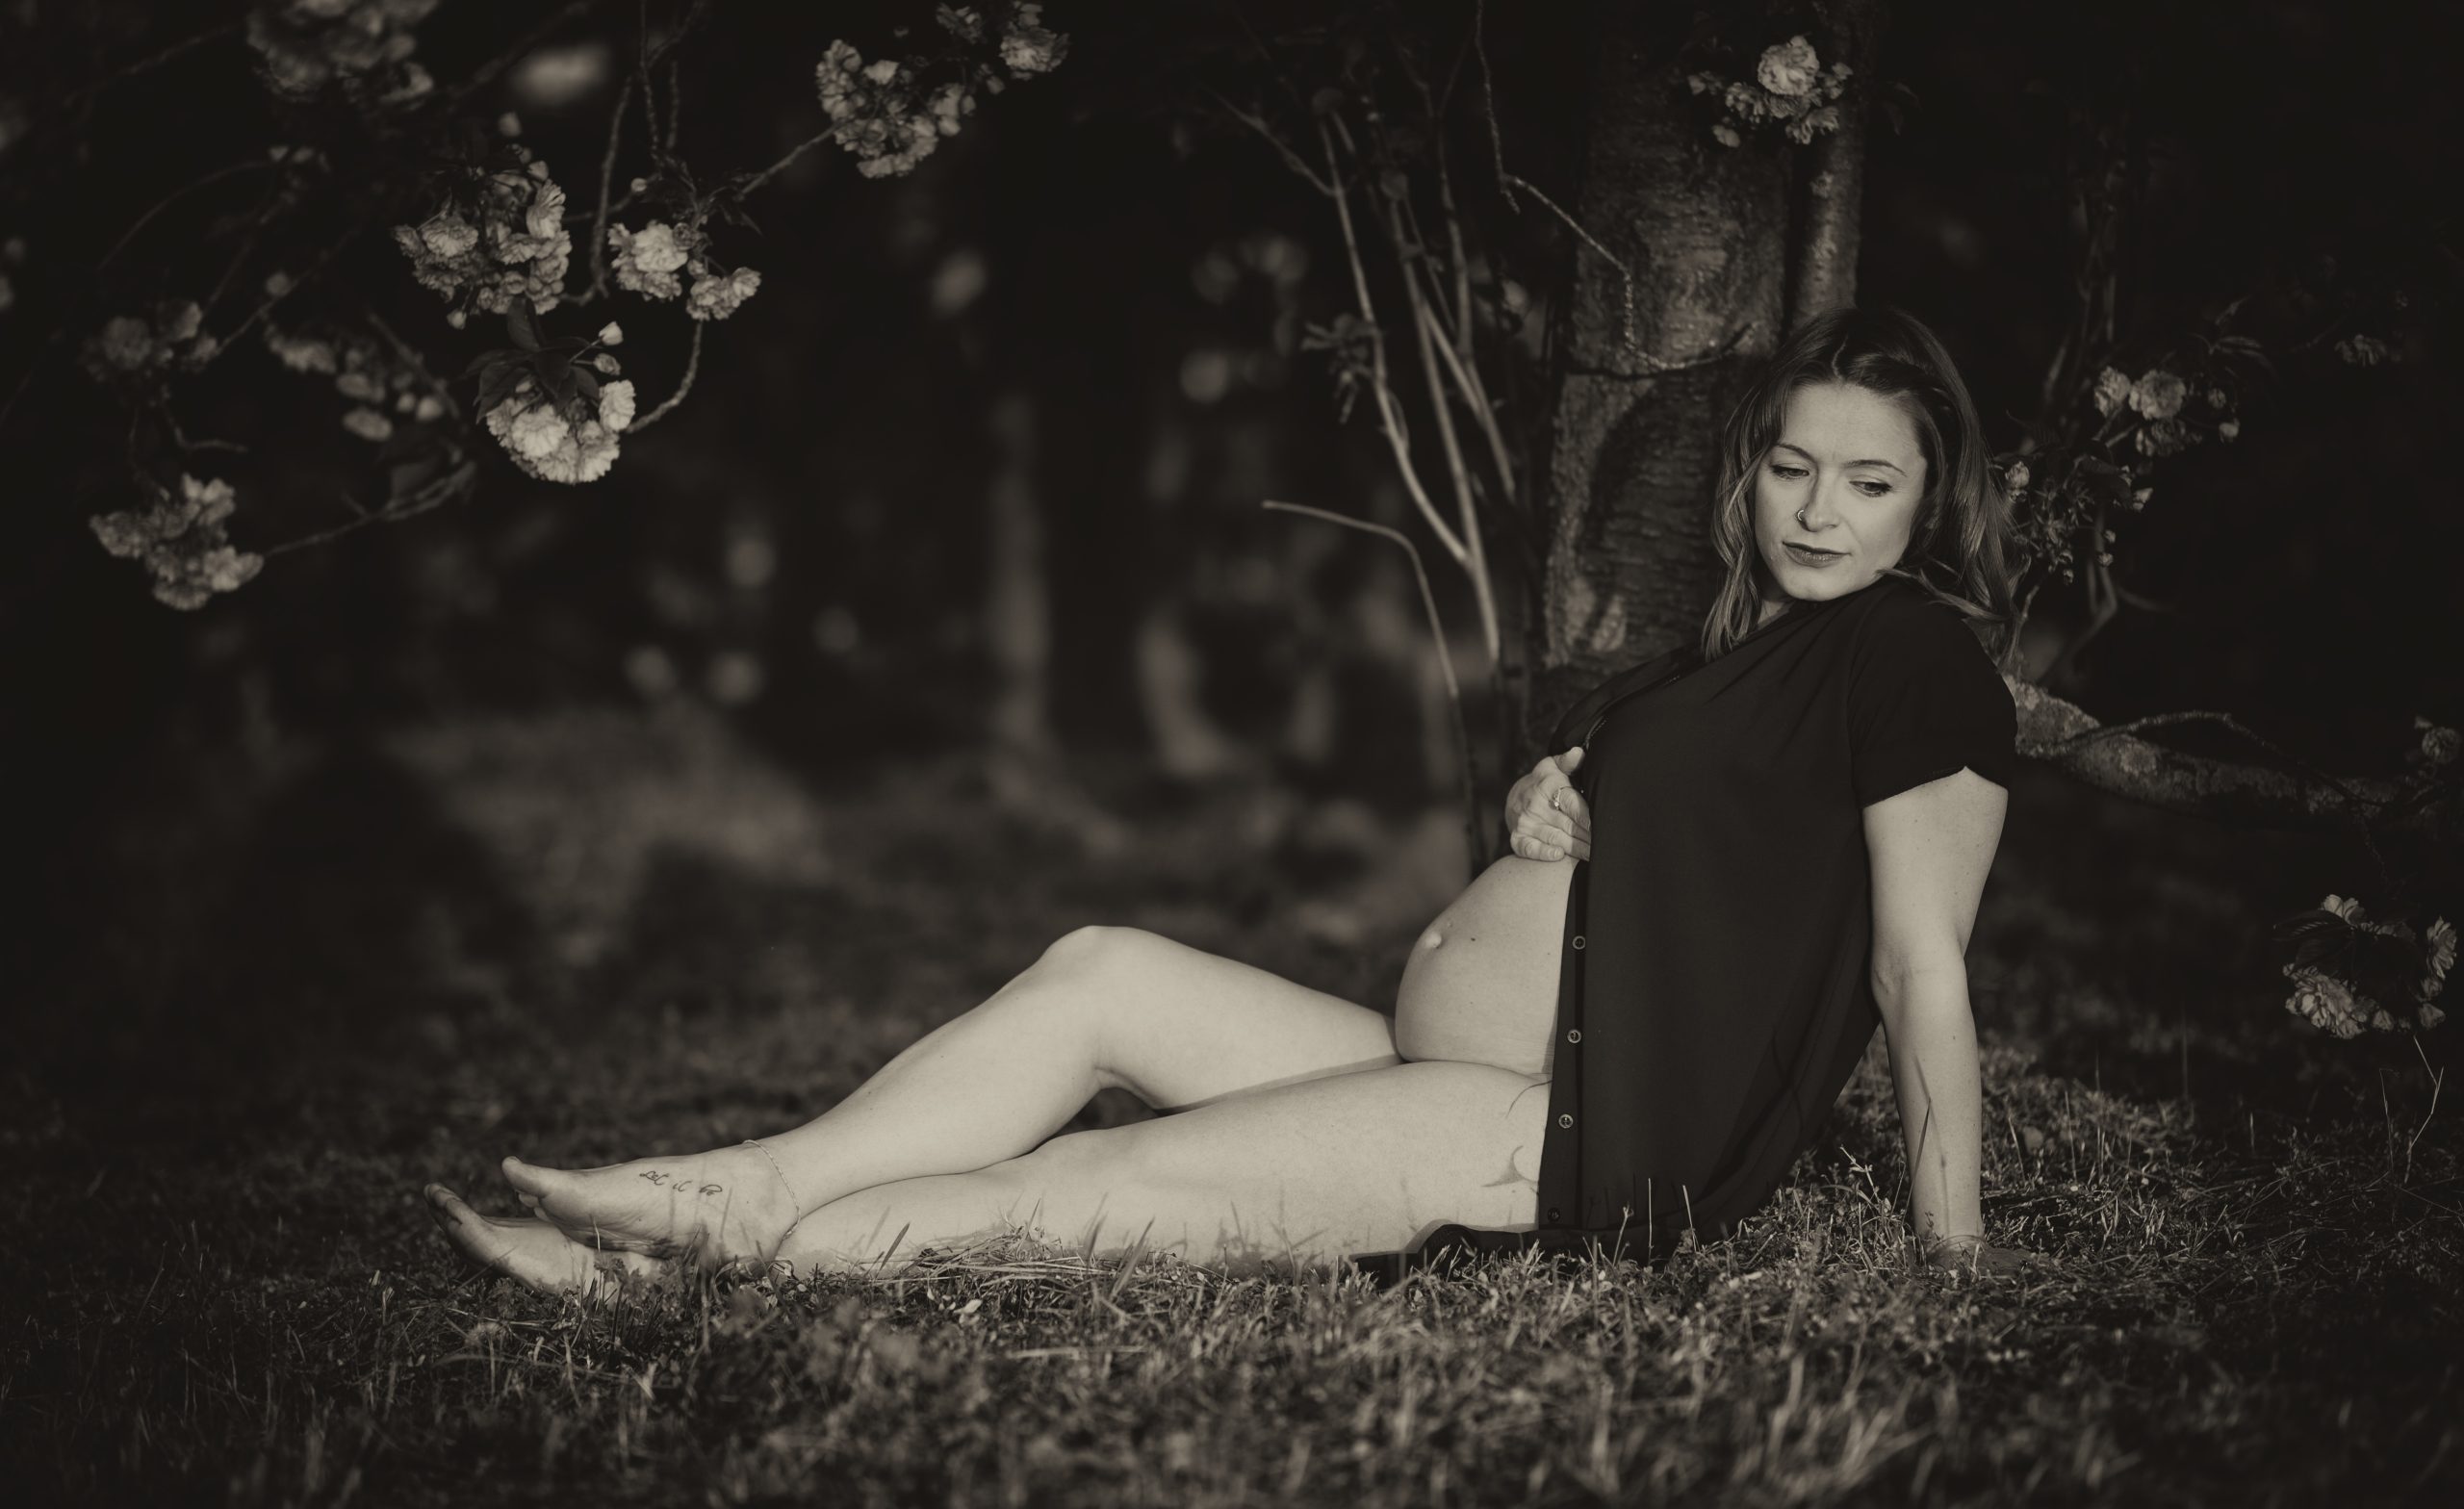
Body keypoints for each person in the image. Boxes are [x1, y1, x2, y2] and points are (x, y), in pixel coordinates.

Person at [424, 303, 2040, 1296]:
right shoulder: (1742, 657)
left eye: (1870, 482)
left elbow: (1920, 969)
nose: (1819, 511)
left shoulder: (1916, 661)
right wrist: (1553, 815)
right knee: (1101, 971)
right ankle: (752, 1185)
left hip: (1574, 1137)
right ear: (1752, 473)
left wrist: (1952, 1253)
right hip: (1483, 1061)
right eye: (1793, 469)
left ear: (1931, 497)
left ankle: (681, 1281)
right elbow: (1706, 865)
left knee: (1080, 1192)